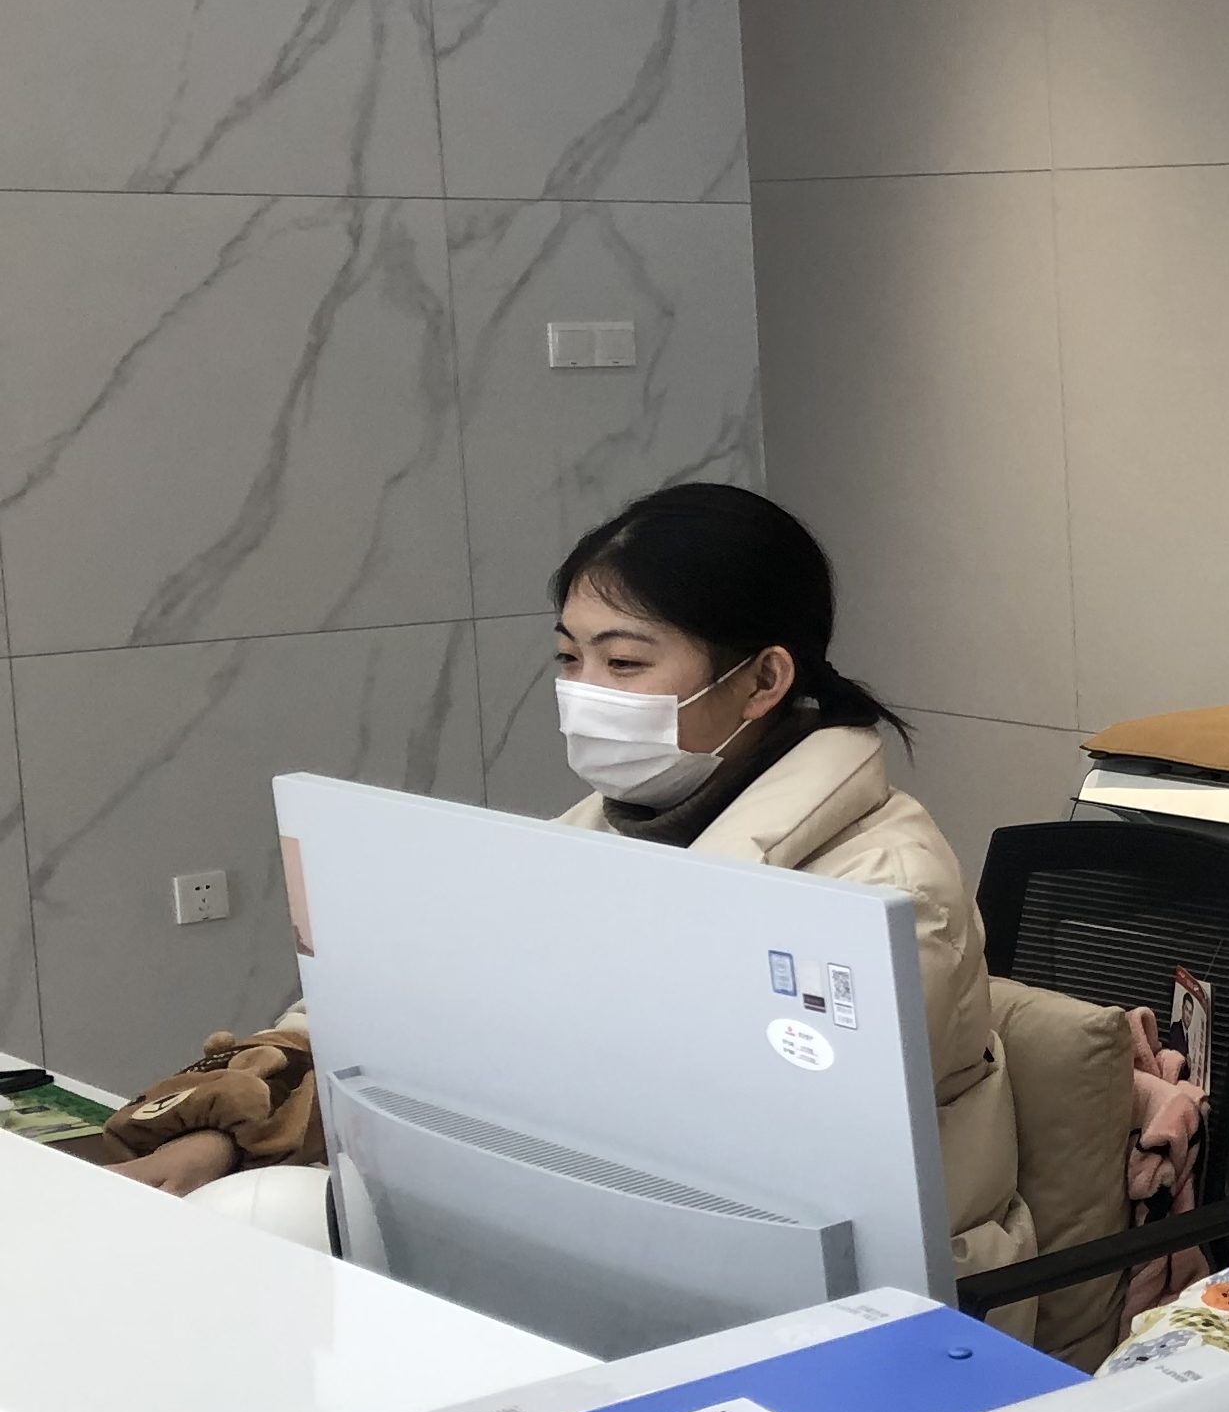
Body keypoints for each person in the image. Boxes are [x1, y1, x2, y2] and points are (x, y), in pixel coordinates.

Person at [112, 485, 1036, 1280]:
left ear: (762, 681)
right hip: (617, 1246)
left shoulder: (885, 888)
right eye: (569, 657)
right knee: (239, 1228)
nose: (584, 690)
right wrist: (231, 1128)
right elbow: (412, 999)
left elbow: (759, 1150)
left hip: (858, 1290)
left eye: (624, 662)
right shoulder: (608, 827)